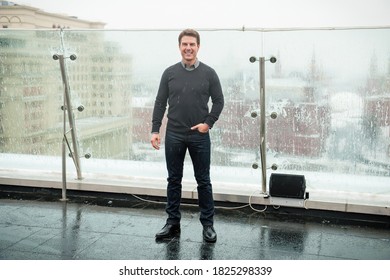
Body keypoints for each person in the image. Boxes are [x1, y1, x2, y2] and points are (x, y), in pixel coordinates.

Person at [151, 29, 224, 243]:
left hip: (198, 135)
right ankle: (172, 223)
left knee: (203, 181)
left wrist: (208, 124)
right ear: (180, 47)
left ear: (198, 47)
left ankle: (208, 226)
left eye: (192, 44)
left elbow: (219, 101)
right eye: (185, 44)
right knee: (174, 180)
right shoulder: (170, 72)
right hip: (173, 133)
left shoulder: (209, 73)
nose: (188, 48)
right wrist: (155, 130)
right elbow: (159, 102)